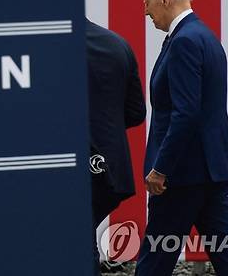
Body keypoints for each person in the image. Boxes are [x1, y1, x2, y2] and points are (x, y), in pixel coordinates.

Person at [135, 0, 228, 275]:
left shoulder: (183, 41)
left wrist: (161, 168)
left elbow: (185, 113)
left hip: (182, 175)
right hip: (210, 169)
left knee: (154, 260)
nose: (145, 10)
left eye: (147, 2)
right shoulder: (206, 36)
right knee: (226, 258)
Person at [86, 18, 146, 276]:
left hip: (65, 164)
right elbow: (136, 112)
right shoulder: (118, 44)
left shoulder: (48, 46)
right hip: (111, 164)